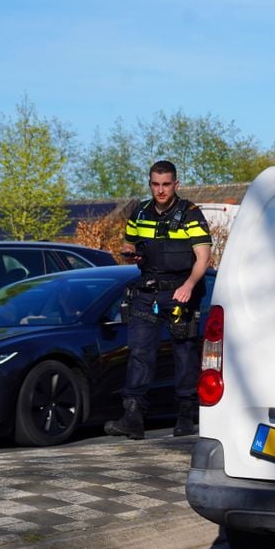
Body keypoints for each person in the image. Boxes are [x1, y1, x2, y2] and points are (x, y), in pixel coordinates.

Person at [105, 160, 212, 440]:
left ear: (176, 184)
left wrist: (189, 285)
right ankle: (133, 417)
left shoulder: (190, 214)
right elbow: (128, 243)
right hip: (147, 292)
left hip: (181, 292)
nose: (161, 190)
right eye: (155, 184)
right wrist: (131, 253)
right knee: (139, 353)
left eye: (166, 184)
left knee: (184, 354)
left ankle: (185, 416)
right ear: (150, 184)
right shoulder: (140, 212)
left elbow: (203, 257)